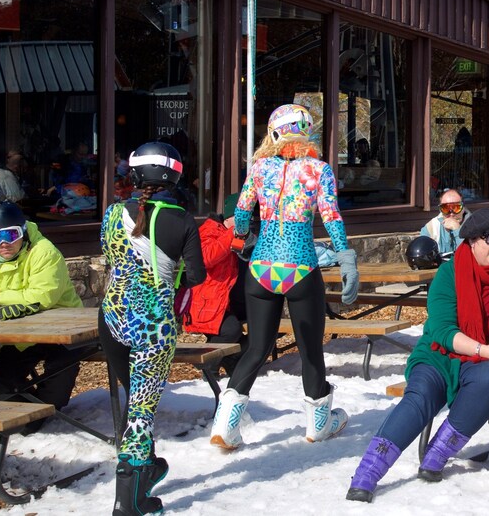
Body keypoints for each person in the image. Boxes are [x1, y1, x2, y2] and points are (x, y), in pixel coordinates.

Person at [346, 209, 489, 503]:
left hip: (484, 360)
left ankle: (437, 454)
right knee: (420, 398)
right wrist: (483, 349)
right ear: (473, 240)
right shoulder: (449, 273)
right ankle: (367, 473)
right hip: (440, 354)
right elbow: (441, 330)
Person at [210, 103, 359, 450]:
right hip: (301, 267)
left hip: (260, 267)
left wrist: (246, 238)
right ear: (306, 133)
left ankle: (226, 426)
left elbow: (243, 212)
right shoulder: (318, 170)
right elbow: (332, 217)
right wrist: (345, 257)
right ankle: (318, 425)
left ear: (274, 133)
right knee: (310, 351)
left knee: (257, 347)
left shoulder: (260, 167)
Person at [99, 142, 206, 516]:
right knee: (142, 411)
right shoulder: (182, 220)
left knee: (133, 401)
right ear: (174, 174)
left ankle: (146, 467)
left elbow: (110, 256)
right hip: (152, 326)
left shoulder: (112, 213)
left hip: (111, 317)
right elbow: (196, 275)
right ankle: (129, 503)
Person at [0, 201, 83, 432]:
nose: (3, 243)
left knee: (59, 380)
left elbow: (44, 295)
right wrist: (11, 302)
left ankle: (39, 414)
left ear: (23, 231)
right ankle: (29, 418)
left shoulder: (44, 251)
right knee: (0, 382)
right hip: (22, 334)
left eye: (11, 234)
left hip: (64, 329)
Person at [185, 193, 248, 376]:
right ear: (230, 216)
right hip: (208, 301)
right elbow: (207, 258)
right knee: (231, 329)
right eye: (243, 216)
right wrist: (233, 234)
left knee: (266, 324)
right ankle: (209, 366)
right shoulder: (209, 230)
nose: (247, 220)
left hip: (230, 300)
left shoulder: (237, 233)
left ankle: (228, 357)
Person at [420, 189, 471, 256]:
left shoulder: (476, 226)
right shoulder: (430, 229)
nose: (451, 214)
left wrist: (457, 230)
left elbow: (470, 256)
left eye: (456, 208)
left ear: (463, 208)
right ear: (440, 209)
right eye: (446, 208)